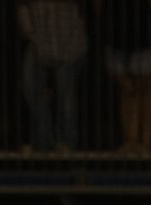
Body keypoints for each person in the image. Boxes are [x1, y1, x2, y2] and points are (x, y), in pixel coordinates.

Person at [17, 0, 87, 152]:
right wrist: (28, 30)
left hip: (68, 42)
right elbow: (23, 7)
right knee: (31, 89)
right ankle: (43, 140)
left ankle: (66, 142)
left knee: (66, 96)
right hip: (39, 41)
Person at [99, 0, 151, 153]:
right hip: (116, 37)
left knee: (147, 91)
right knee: (127, 91)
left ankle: (146, 142)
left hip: (149, 38)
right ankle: (130, 140)